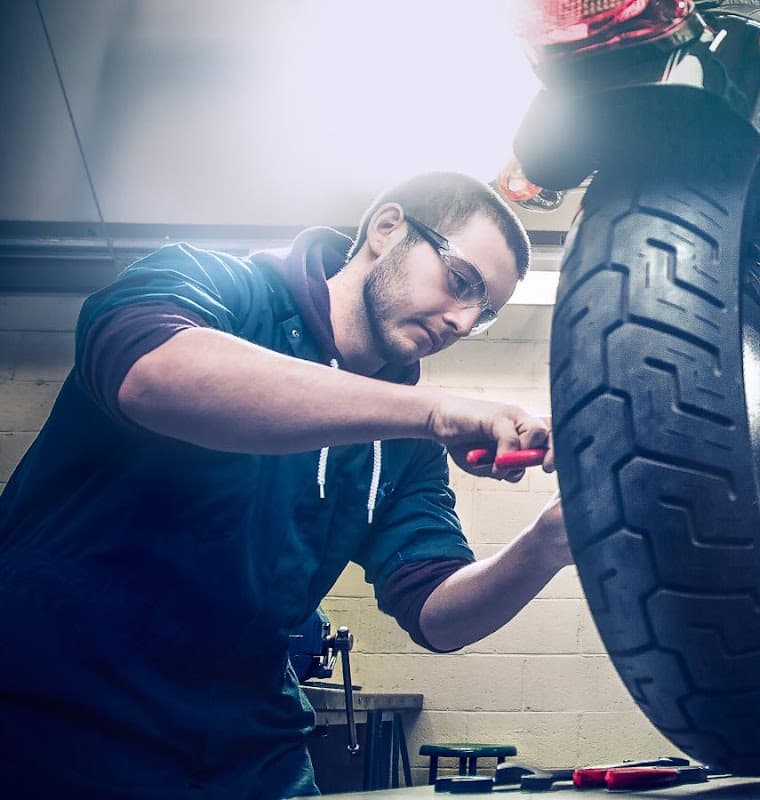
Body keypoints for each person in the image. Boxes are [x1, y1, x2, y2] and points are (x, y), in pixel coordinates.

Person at [0, 172, 571, 798]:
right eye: (460, 283)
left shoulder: (407, 443)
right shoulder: (216, 285)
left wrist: (546, 543)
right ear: (387, 230)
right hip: (57, 720)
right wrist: (433, 411)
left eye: (483, 313)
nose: (462, 321)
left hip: (247, 747)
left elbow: (437, 613)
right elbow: (150, 373)